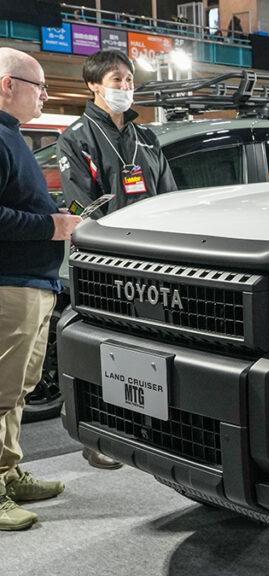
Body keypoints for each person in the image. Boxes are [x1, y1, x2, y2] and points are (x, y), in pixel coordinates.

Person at [57, 49, 178, 470]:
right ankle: (99, 437)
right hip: (105, 262)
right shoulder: (77, 137)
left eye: (128, 80)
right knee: (104, 350)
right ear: (93, 85)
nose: (125, 87)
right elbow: (79, 205)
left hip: (153, 260)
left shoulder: (146, 137)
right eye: (116, 80)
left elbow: (168, 196)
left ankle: (150, 432)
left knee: (151, 350)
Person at [0, 48, 82, 531]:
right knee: (0, 392)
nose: (46, 96)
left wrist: (51, 218)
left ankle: (8, 473)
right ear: (7, 85)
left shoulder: (12, 136)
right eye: (40, 87)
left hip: (30, 282)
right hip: (9, 284)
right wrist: (50, 226)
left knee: (15, 392)